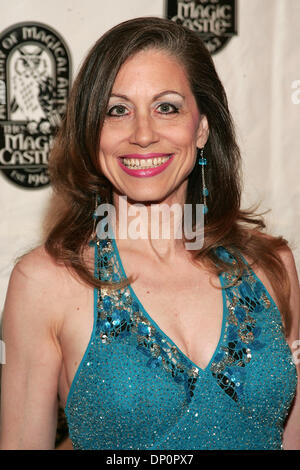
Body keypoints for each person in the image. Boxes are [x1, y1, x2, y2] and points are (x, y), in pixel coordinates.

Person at [0, 16, 299, 451]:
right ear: (91, 131)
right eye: (117, 110)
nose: (143, 134)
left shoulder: (272, 263)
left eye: (167, 107)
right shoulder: (45, 282)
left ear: (201, 128)